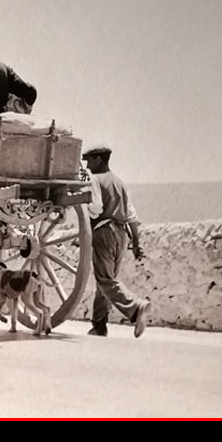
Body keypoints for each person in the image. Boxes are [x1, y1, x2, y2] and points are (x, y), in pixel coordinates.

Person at [83, 142, 152, 338]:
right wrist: (136, 244)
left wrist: (86, 211)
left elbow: (96, 208)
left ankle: (136, 308)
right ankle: (99, 324)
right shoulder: (120, 183)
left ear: (98, 160)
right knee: (108, 281)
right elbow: (132, 216)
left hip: (104, 232)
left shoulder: (94, 179)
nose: (87, 166)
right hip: (122, 235)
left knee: (105, 280)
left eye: (89, 161)